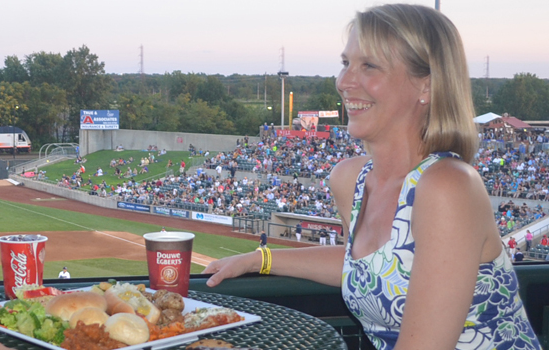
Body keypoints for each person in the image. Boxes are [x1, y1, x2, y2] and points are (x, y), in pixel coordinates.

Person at [203, 5, 538, 349]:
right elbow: (366, 268)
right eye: (346, 63)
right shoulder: (350, 179)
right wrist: (260, 259)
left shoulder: (448, 187)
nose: (344, 82)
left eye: (369, 66)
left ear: (427, 85)